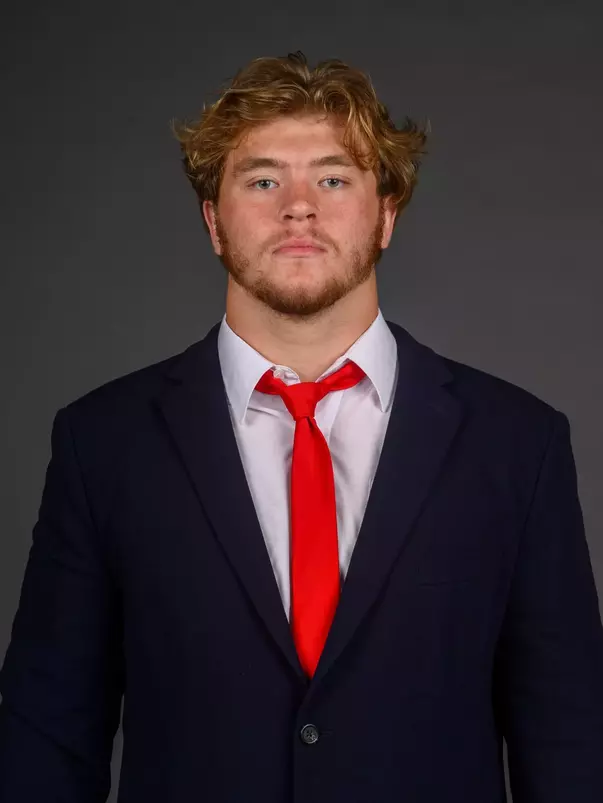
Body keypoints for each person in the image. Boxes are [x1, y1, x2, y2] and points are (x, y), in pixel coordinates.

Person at [1, 50, 602, 803]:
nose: (298, 207)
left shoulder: (517, 442)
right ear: (213, 221)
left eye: (333, 178)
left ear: (386, 215)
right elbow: (47, 737)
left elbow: (570, 740)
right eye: (262, 180)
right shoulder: (102, 442)